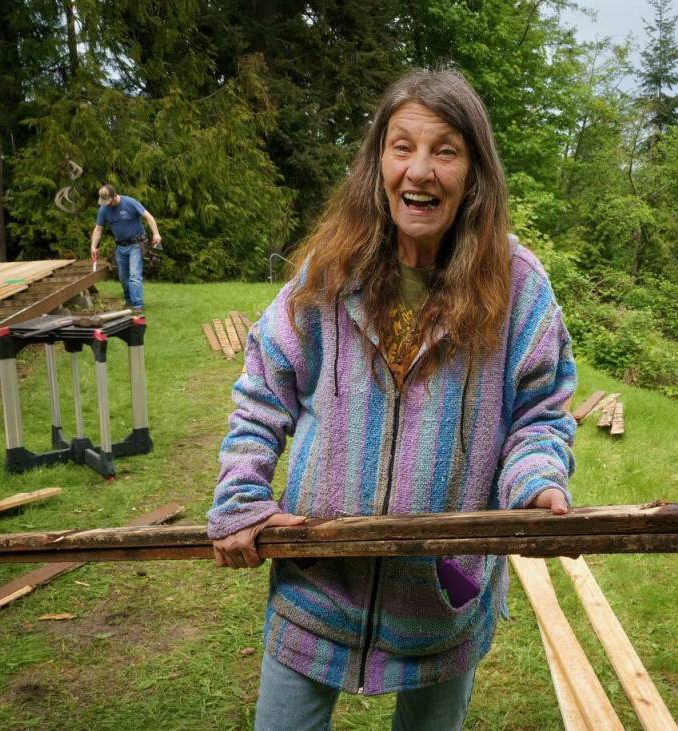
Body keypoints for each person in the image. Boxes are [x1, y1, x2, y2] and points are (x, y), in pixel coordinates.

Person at [208, 69, 576, 731]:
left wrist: (536, 481)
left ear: (475, 172)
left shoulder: (517, 285)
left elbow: (539, 410)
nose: (421, 170)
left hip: (446, 589)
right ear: (378, 161)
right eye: (402, 146)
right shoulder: (331, 268)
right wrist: (241, 491)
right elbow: (265, 385)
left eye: (445, 150)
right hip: (316, 575)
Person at [90, 184, 162, 314]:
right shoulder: (104, 209)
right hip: (120, 247)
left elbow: (148, 217)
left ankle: (138, 305)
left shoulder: (130, 202)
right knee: (123, 277)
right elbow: (98, 229)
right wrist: (93, 246)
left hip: (136, 244)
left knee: (134, 275)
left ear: (115, 195)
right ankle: (129, 301)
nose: (106, 204)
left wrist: (156, 233)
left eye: (108, 201)